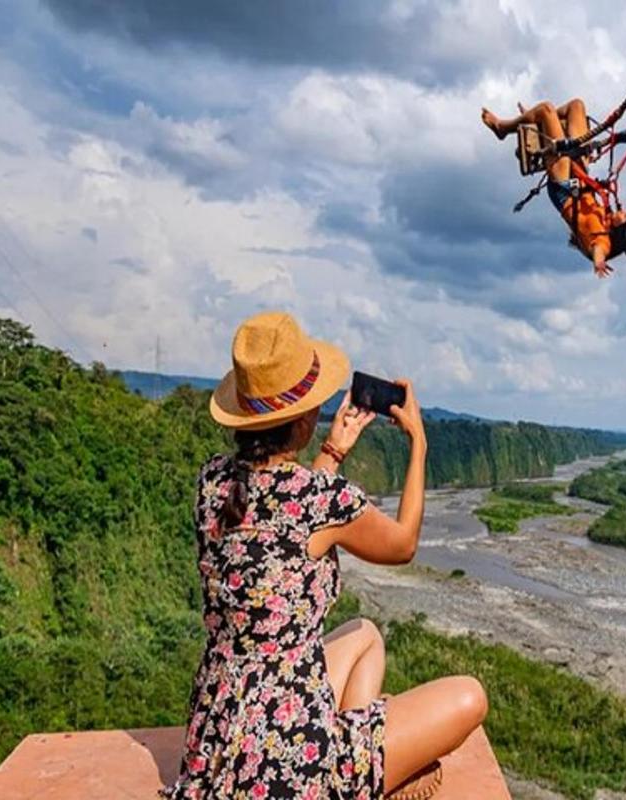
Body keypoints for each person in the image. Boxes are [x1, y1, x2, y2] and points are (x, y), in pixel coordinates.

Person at [162, 311, 487, 800]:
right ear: (304, 418)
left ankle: (354, 766)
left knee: (366, 634)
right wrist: (418, 443)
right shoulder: (322, 500)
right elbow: (403, 544)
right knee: (470, 696)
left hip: (218, 731)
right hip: (285, 756)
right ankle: (352, 776)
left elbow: (281, 526)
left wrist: (333, 454)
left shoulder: (213, 481)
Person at [482, 98, 626, 278]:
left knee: (545, 110)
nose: (623, 212)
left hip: (564, 189)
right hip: (581, 179)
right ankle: (534, 121)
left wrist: (599, 262)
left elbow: (597, 251)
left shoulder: (604, 242)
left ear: (621, 233)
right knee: (577, 106)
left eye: (624, 218)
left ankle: (503, 127)